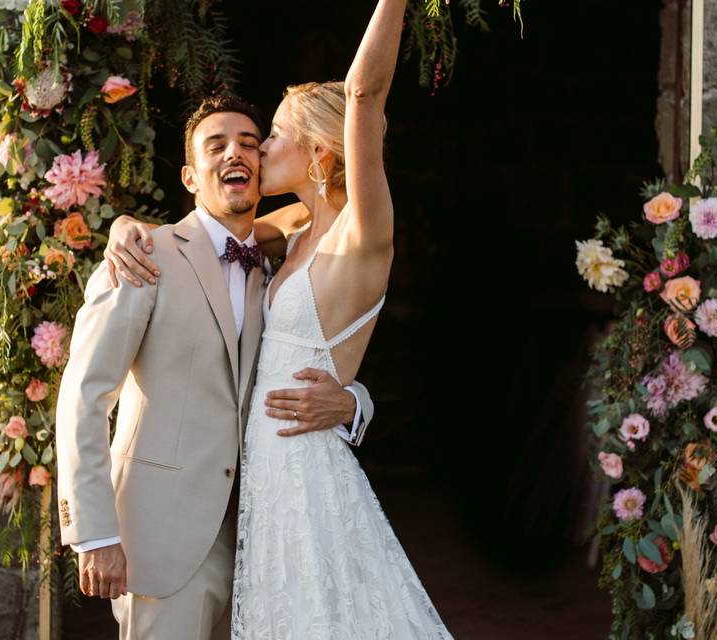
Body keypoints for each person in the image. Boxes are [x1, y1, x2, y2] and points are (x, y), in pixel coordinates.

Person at [105, 0, 454, 636]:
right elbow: (198, 238)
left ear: (322, 148)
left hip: (304, 469)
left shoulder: (362, 231)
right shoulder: (290, 232)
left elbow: (364, 97)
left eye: (271, 137)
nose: (257, 151)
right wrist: (127, 228)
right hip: (259, 479)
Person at [54, 92, 377, 640]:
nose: (236, 154)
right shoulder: (142, 256)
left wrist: (352, 402)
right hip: (162, 541)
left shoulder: (282, 257)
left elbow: (327, 213)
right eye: (217, 145)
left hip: (265, 538)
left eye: (251, 144)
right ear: (188, 175)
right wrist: (93, 534)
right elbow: (84, 396)